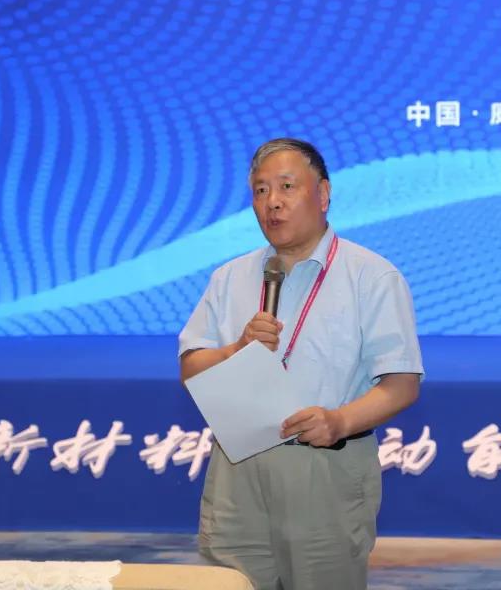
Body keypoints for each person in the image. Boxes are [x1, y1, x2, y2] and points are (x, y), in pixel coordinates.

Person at [178, 138, 424, 590]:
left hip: (324, 466)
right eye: (260, 190)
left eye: (287, 186)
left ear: (323, 194)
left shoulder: (371, 277)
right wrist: (235, 350)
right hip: (237, 468)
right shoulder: (229, 278)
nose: (272, 202)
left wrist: (338, 421)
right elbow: (191, 368)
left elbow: (402, 384)